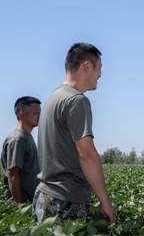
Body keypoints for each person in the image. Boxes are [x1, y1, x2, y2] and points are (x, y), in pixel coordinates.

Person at [34, 42, 117, 223]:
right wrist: (105, 201)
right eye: (99, 67)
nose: (101, 74)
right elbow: (86, 154)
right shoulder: (76, 100)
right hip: (64, 200)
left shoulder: (53, 98)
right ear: (87, 66)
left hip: (45, 196)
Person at [0, 96, 41, 204]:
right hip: (20, 205)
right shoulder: (18, 139)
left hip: (29, 202)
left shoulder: (27, 137)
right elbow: (12, 174)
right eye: (36, 112)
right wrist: (20, 205)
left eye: (40, 112)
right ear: (22, 114)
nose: (40, 115)